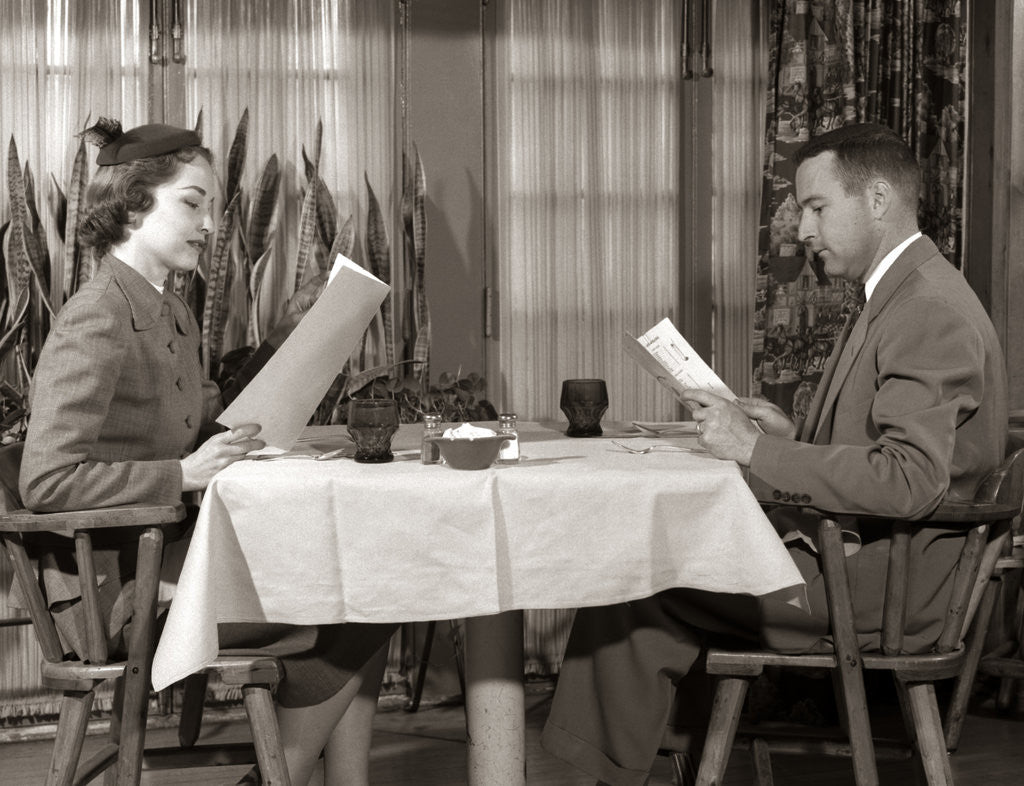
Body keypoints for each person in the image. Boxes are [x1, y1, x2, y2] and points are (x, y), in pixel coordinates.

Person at [540, 122, 1009, 785]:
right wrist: (791, 441)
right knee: (652, 580)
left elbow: (910, 481)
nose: (804, 231)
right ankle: (656, 765)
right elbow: (892, 453)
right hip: (865, 566)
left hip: (883, 592)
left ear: (878, 199)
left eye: (818, 208)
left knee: (634, 583)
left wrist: (757, 449)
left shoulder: (926, 310)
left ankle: (615, 773)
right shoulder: (906, 292)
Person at [17, 120, 395, 785]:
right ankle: (282, 773)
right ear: (135, 206)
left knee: (373, 584)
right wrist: (181, 473)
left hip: (171, 560)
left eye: (211, 207)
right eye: (192, 203)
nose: (210, 224)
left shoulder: (172, 310)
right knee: (364, 596)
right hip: (117, 592)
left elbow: (172, 427)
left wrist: (255, 419)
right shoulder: (96, 316)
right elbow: (45, 481)